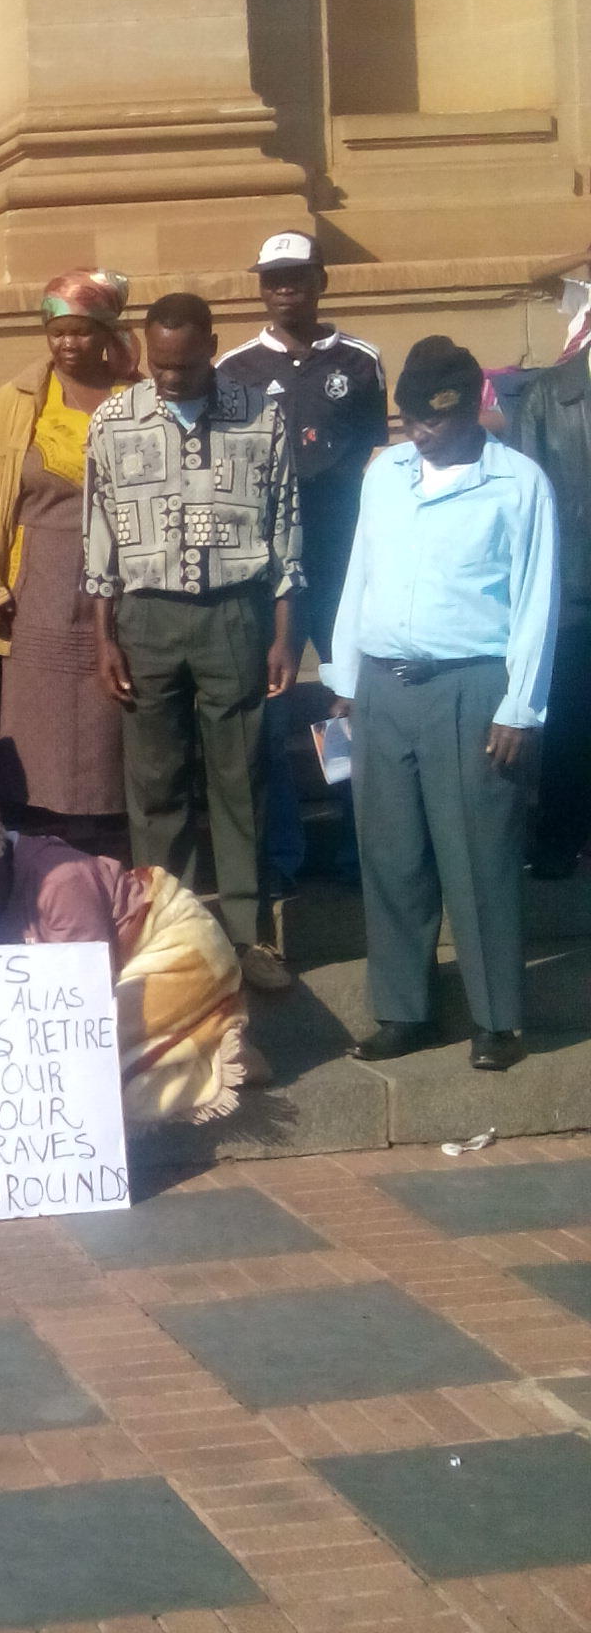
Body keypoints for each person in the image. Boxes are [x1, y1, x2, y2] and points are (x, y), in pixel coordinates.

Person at [326, 336, 559, 1072]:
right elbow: (358, 569)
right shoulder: (385, 475)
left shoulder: (516, 483)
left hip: (472, 687)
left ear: (469, 410)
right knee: (391, 855)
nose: (423, 432)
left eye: (438, 420)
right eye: (413, 419)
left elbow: (535, 601)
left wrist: (521, 706)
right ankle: (404, 1010)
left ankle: (497, 1021)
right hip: (384, 687)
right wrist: (342, 679)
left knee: (478, 857)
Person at [86, 292, 303, 996]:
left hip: (234, 616)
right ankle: (169, 936)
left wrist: (282, 634)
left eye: (184, 364)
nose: (171, 377)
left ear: (212, 345)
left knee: (240, 780)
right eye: (160, 364)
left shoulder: (260, 416)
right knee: (155, 788)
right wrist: (105, 639)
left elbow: (286, 530)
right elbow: (100, 538)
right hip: (145, 619)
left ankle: (247, 937)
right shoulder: (114, 421)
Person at [0, 785, 266, 1125]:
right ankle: (191, 1039)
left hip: (174, 947)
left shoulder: (59, 880)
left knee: (89, 1075)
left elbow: (85, 995)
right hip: (106, 965)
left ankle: (217, 1046)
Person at [219, 232, 387, 889]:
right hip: (265, 570)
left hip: (342, 559)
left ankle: (356, 847)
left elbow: (368, 453)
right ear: (261, 287)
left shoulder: (362, 359)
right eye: (273, 277)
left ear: (321, 280)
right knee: (271, 704)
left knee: (347, 700)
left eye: (297, 276)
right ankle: (282, 855)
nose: (284, 288)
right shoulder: (235, 369)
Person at [0, 269, 135, 841]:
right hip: (36, 590)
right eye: (56, 331)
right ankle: (35, 849)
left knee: (110, 729)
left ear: (106, 331)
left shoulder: (140, 400)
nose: (66, 344)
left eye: (80, 331)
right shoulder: (16, 403)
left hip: (121, 590)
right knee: (36, 731)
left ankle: (108, 849)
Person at [509, 312, 591, 878]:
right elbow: (527, 505)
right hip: (575, 586)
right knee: (571, 722)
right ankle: (561, 839)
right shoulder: (546, 395)